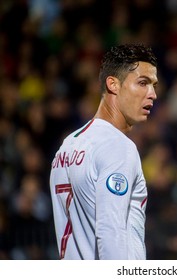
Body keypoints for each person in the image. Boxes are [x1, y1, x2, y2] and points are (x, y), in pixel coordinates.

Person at [49, 43, 158, 260]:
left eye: (154, 85)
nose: (153, 94)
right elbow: (111, 232)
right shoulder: (118, 147)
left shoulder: (67, 146)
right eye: (143, 83)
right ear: (113, 84)